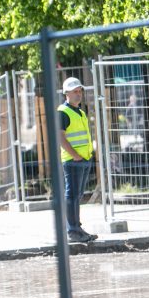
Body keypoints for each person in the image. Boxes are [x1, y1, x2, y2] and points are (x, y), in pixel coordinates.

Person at [58, 77, 98, 243]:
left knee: (77, 195)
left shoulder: (80, 112)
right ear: (66, 93)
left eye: (80, 90)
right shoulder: (63, 112)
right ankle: (73, 230)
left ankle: (77, 228)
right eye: (74, 91)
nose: (78, 94)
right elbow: (60, 137)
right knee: (73, 195)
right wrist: (75, 155)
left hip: (83, 160)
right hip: (73, 161)